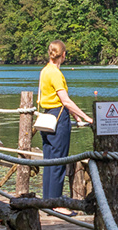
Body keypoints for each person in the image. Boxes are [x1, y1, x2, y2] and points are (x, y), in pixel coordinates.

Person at [38, 40, 92, 198]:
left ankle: (48, 199)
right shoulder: (55, 73)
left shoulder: (45, 71)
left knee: (49, 160)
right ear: (63, 54)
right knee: (59, 161)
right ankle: (55, 202)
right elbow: (65, 100)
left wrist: (75, 115)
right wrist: (86, 117)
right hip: (58, 118)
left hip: (47, 116)